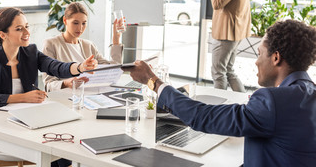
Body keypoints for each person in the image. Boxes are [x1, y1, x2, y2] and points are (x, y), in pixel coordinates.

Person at [124, 20, 316, 166]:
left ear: (276, 58)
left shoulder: (272, 102)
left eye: (259, 53)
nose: (256, 62)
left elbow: (202, 117)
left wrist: (154, 81)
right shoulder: (309, 94)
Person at [0, 7, 94, 167]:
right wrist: (22, 98)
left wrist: (81, 67)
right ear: (3, 34)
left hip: (28, 123)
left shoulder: (31, 51)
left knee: (61, 145)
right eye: (19, 29)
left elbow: (55, 66)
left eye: (27, 26)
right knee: (53, 148)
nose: (26, 32)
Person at [42, 2, 124, 91]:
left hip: (89, 95)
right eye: (75, 23)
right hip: (66, 96)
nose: (80, 28)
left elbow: (113, 70)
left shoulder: (89, 45)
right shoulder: (51, 44)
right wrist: (66, 83)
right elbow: (48, 84)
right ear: (65, 20)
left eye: (84, 23)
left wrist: (116, 39)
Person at [208, 0, 251, 92]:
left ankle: (220, 110)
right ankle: (243, 103)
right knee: (229, 71)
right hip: (233, 31)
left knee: (218, 72)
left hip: (226, 33)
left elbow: (217, 3)